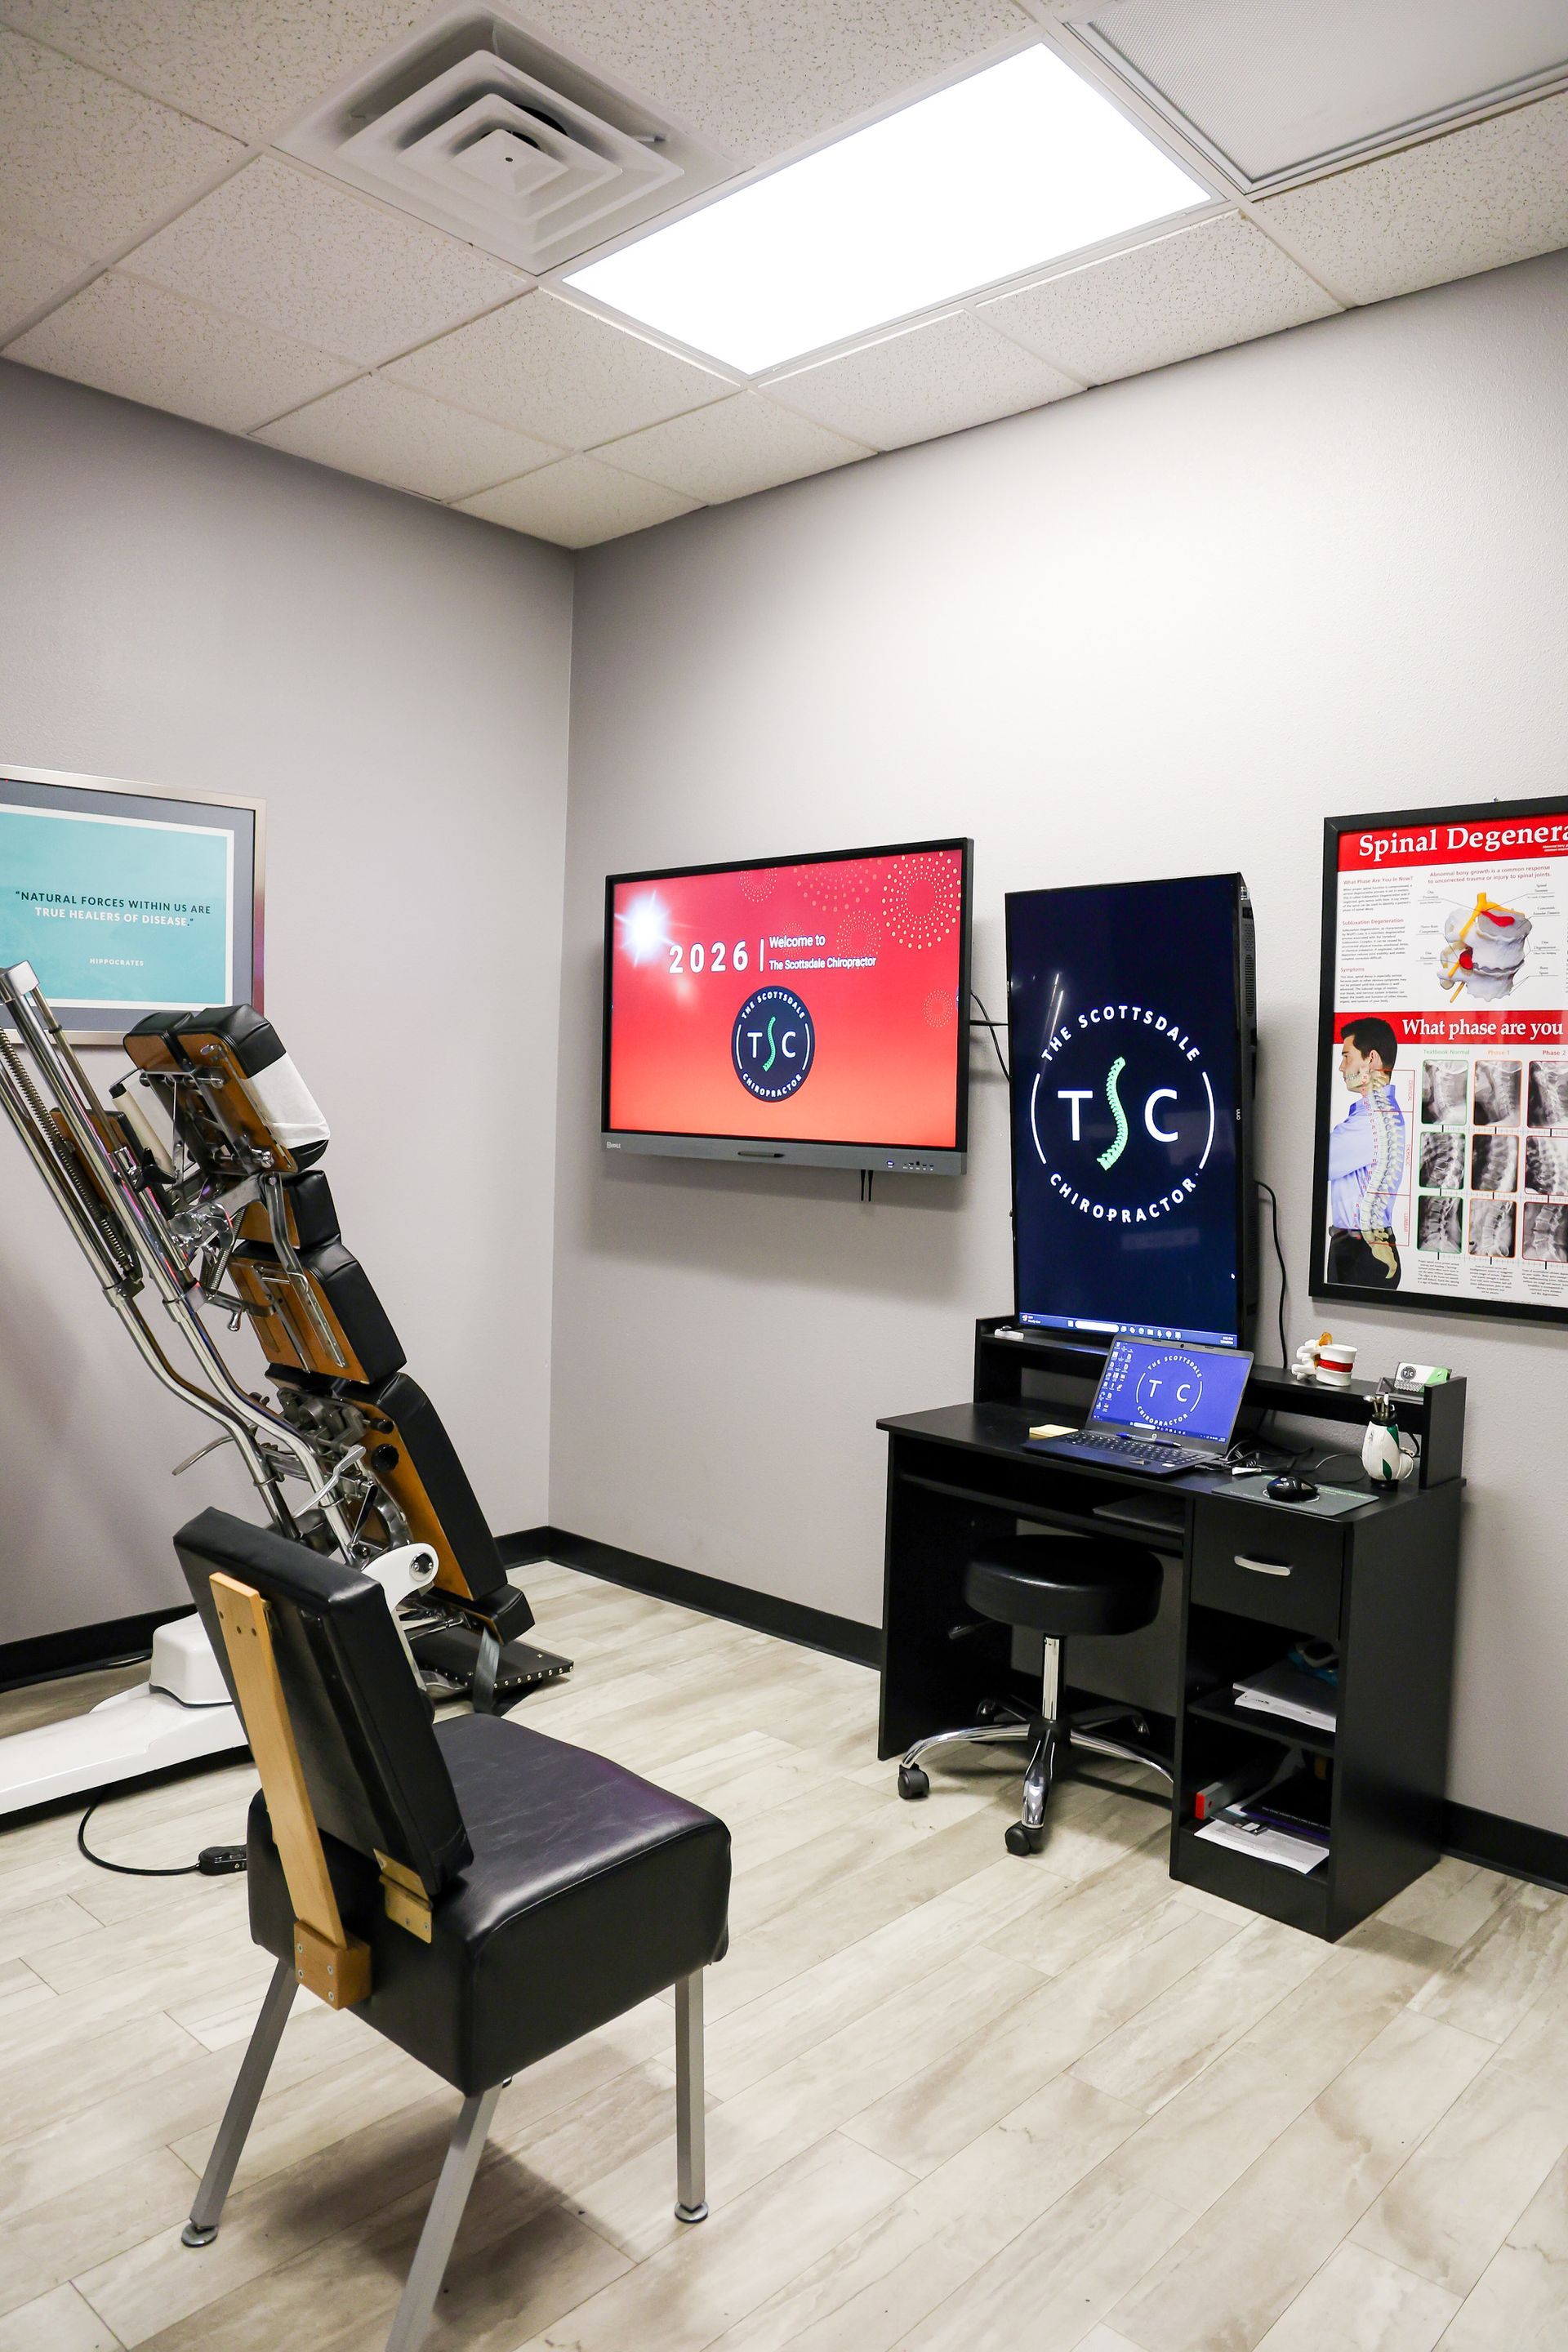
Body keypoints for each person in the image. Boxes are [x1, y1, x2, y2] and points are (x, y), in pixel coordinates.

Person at [1327, 1017, 1405, 1286]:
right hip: (1358, 1247)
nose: (1341, 1066)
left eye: (1347, 1056)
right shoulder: (1372, 1116)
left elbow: (1317, 1163)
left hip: (1366, 1253)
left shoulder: (1372, 1121)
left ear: (1371, 1059)